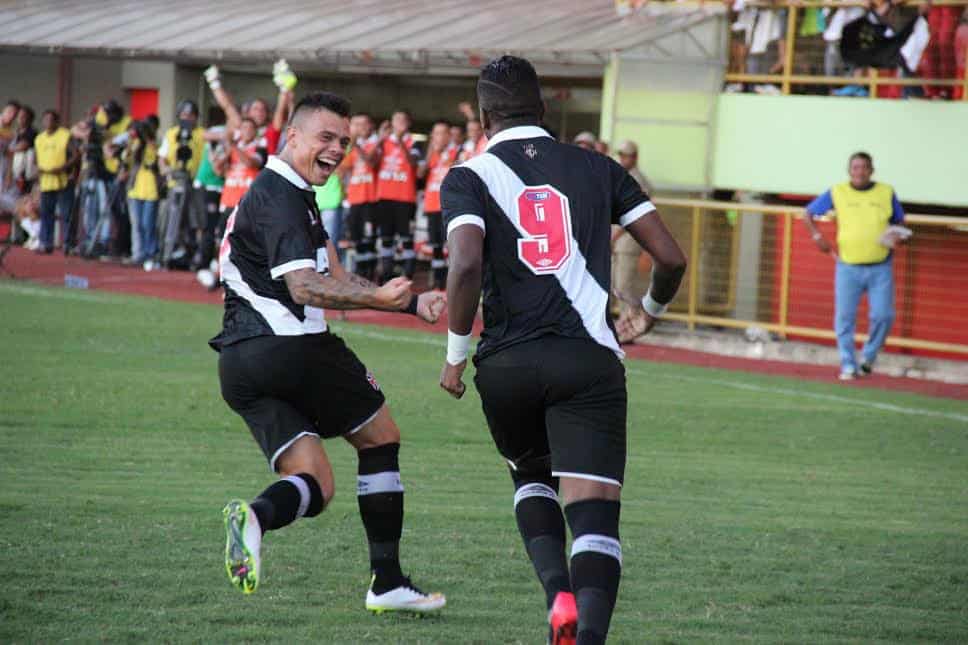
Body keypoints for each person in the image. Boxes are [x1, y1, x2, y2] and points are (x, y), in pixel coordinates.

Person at [439, 55, 686, 644]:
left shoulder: (467, 175)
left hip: (507, 363)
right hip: (587, 360)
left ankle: (558, 594)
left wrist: (454, 355)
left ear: (484, 117)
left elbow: (466, 264)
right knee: (594, 513)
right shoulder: (599, 167)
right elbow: (671, 258)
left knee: (530, 476)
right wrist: (649, 311)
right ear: (544, 109)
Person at [211, 91, 446, 614]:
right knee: (381, 437)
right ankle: (387, 582)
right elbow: (304, 287)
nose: (338, 149)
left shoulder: (291, 194)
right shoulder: (281, 196)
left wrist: (408, 303)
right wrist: (380, 299)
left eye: (344, 140)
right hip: (290, 348)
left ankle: (254, 519)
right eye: (326, 137)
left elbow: (336, 276)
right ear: (292, 136)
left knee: (315, 483)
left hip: (240, 367)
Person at [803, 152, 906, 381]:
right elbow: (807, 214)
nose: (860, 171)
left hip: (881, 266)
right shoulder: (837, 191)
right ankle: (848, 364)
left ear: (872, 170)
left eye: (864, 167)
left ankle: (868, 357)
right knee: (844, 318)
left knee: (884, 315)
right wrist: (817, 237)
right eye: (855, 167)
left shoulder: (886, 192)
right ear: (849, 171)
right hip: (848, 266)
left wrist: (898, 236)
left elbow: (899, 221)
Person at [370, 110, 420, 281]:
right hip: (385, 197)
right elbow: (370, 162)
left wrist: (400, 141)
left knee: (407, 239)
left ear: (408, 123)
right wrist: (379, 139)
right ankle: (386, 276)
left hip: (405, 198)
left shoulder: (413, 142)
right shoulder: (384, 142)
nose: (399, 123)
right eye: (396, 120)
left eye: (402, 120)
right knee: (386, 239)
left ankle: (407, 277)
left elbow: (413, 163)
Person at [610, 140, 656, 316]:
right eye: (621, 155)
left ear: (635, 157)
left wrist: (614, 237)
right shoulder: (623, 175)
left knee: (623, 287)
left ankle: (630, 321)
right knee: (613, 285)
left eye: (626, 156)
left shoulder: (638, 180)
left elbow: (634, 214)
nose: (622, 159)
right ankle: (621, 322)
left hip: (628, 241)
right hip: (617, 240)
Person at [419, 119, 458, 290]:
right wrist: (430, 152)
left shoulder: (457, 151)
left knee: (450, 246)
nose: (438, 137)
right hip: (431, 205)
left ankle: (453, 284)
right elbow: (420, 174)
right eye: (435, 134)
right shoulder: (432, 154)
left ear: (449, 135)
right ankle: (438, 282)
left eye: (442, 133)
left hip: (449, 206)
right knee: (435, 247)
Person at [34, 110, 80, 254]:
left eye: (51, 120)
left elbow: (76, 155)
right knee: (46, 214)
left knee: (67, 214)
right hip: (46, 181)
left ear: (56, 122)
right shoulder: (39, 138)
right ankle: (46, 243)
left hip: (63, 180)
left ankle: (68, 244)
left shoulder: (65, 135)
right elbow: (36, 158)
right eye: (45, 119)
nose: (48, 122)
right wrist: (38, 170)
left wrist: (62, 168)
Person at [341, 112, 379, 280]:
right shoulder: (352, 147)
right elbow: (343, 169)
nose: (359, 128)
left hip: (371, 198)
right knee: (356, 238)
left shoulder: (376, 143)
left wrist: (355, 144)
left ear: (371, 126)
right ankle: (362, 274)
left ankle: (370, 274)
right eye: (356, 124)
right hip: (354, 198)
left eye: (363, 124)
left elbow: (371, 161)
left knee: (369, 238)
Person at [121, 119, 162, 269]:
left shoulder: (154, 145)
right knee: (137, 224)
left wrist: (147, 139)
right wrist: (131, 143)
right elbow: (125, 158)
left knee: (147, 224)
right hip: (135, 189)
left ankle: (151, 253)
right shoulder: (135, 144)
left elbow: (154, 159)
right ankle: (138, 253)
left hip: (151, 190)